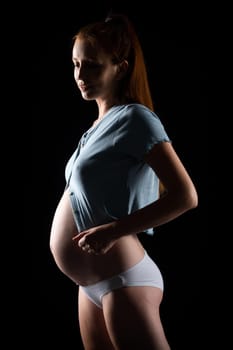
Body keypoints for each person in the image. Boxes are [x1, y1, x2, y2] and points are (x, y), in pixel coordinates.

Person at [49, 13, 198, 350]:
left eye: (91, 66)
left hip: (123, 280)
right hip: (90, 284)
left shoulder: (135, 119)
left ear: (119, 67)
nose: (80, 76)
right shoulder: (94, 129)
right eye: (75, 65)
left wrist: (113, 231)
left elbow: (185, 196)